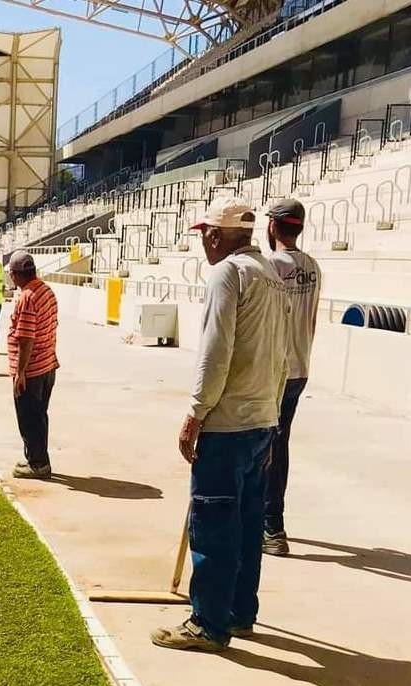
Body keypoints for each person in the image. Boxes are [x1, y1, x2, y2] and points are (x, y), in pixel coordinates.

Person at [152, 197, 289, 652]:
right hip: (260, 421)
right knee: (248, 525)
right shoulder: (270, 273)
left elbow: (216, 353)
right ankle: (238, 612)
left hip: (228, 423)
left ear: (215, 235)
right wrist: (272, 418)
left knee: (213, 524)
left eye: (205, 236)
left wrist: (195, 413)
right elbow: (281, 356)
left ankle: (209, 623)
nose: (204, 244)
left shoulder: (228, 273)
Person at [263, 198, 321, 556]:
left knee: (265, 447)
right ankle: (270, 523)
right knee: (278, 444)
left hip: (274, 369)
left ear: (272, 226)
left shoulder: (271, 267)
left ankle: (271, 527)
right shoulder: (312, 266)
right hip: (299, 366)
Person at [7, 250, 59, 479]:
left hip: (33, 369)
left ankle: (38, 464)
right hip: (47, 365)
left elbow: (26, 338)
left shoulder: (27, 297)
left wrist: (20, 373)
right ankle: (36, 457)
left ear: (16, 275)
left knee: (29, 418)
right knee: (39, 415)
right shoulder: (46, 290)